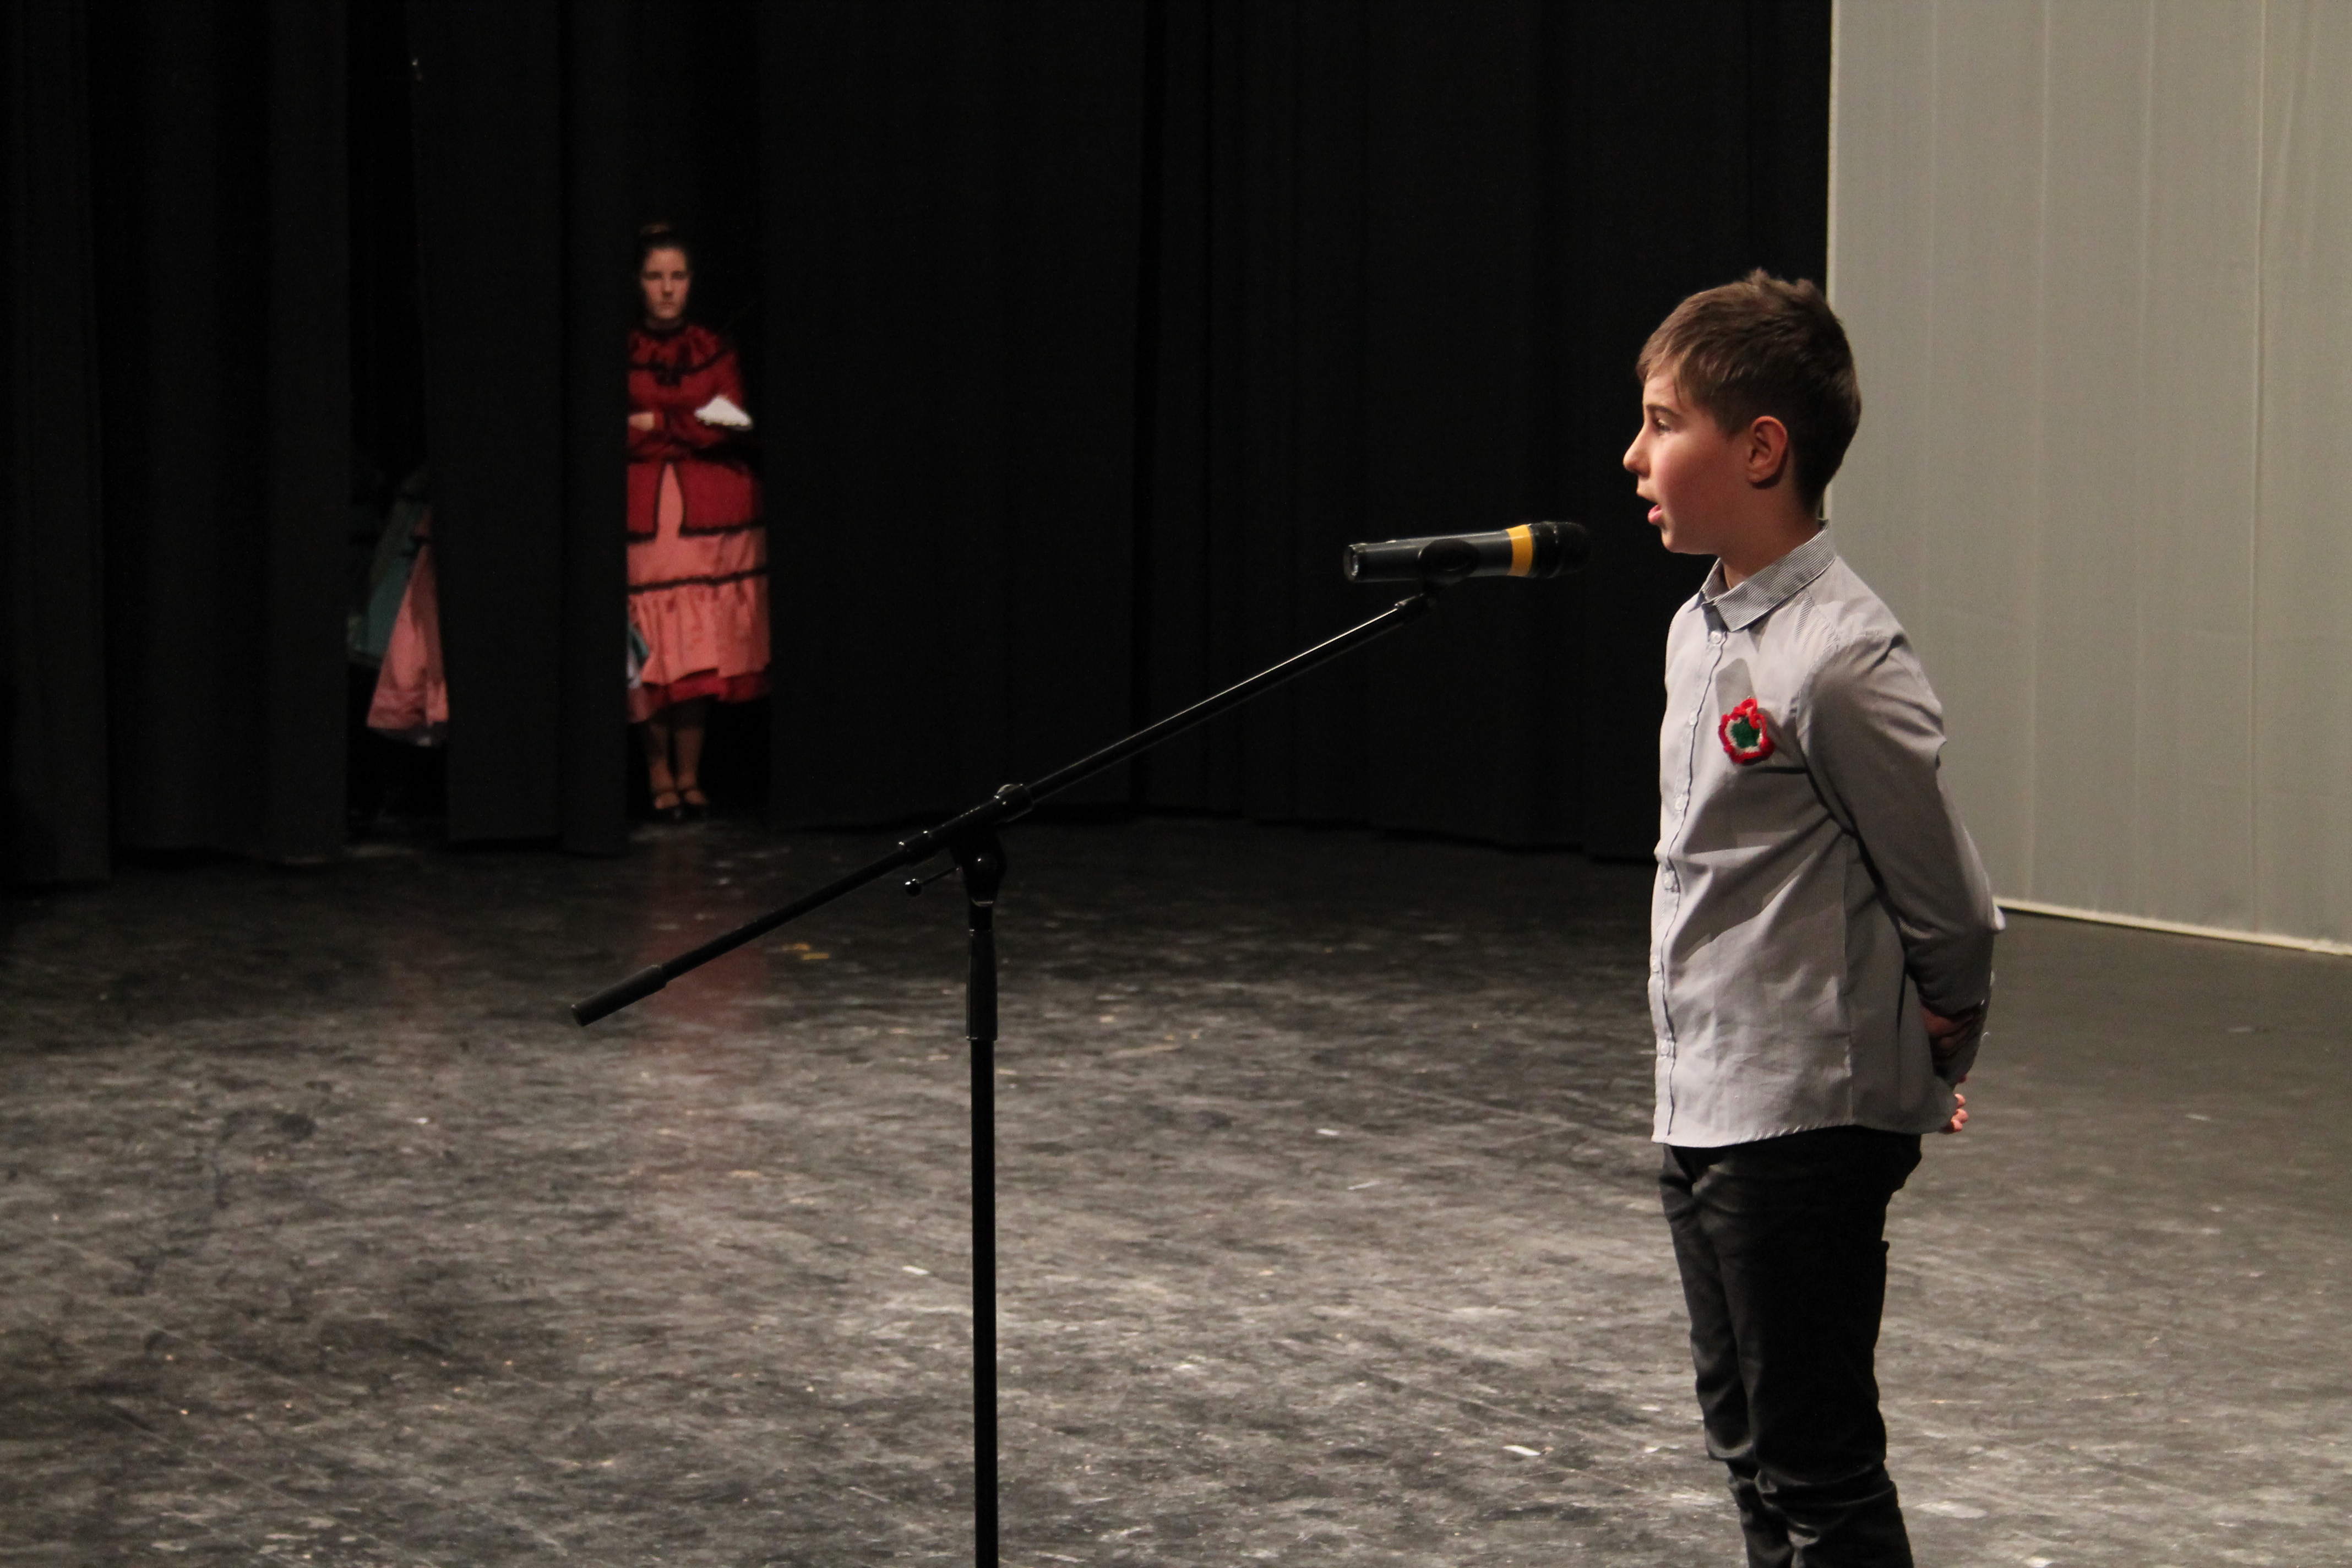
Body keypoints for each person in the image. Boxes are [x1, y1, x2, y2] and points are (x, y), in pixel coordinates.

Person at [1620, 270, 2002, 1566]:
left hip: (1799, 1116)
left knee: (1817, 1463)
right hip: (1703, 1097)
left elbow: (1947, 903)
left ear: (1762, 448)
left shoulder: (1839, 656)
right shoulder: (1698, 629)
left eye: (1662, 422)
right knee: (1748, 1445)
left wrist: (1936, 1037)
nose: (1635, 456)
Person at [626, 224, 769, 819]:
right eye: (655, 277)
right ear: (639, 283)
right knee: (651, 651)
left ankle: (689, 776)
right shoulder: (620, 349)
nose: (667, 289)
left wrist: (659, 424)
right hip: (644, 515)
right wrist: (686, 423)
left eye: (677, 277)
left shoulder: (714, 348)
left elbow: (729, 422)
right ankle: (658, 775)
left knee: (697, 652)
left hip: (710, 516)